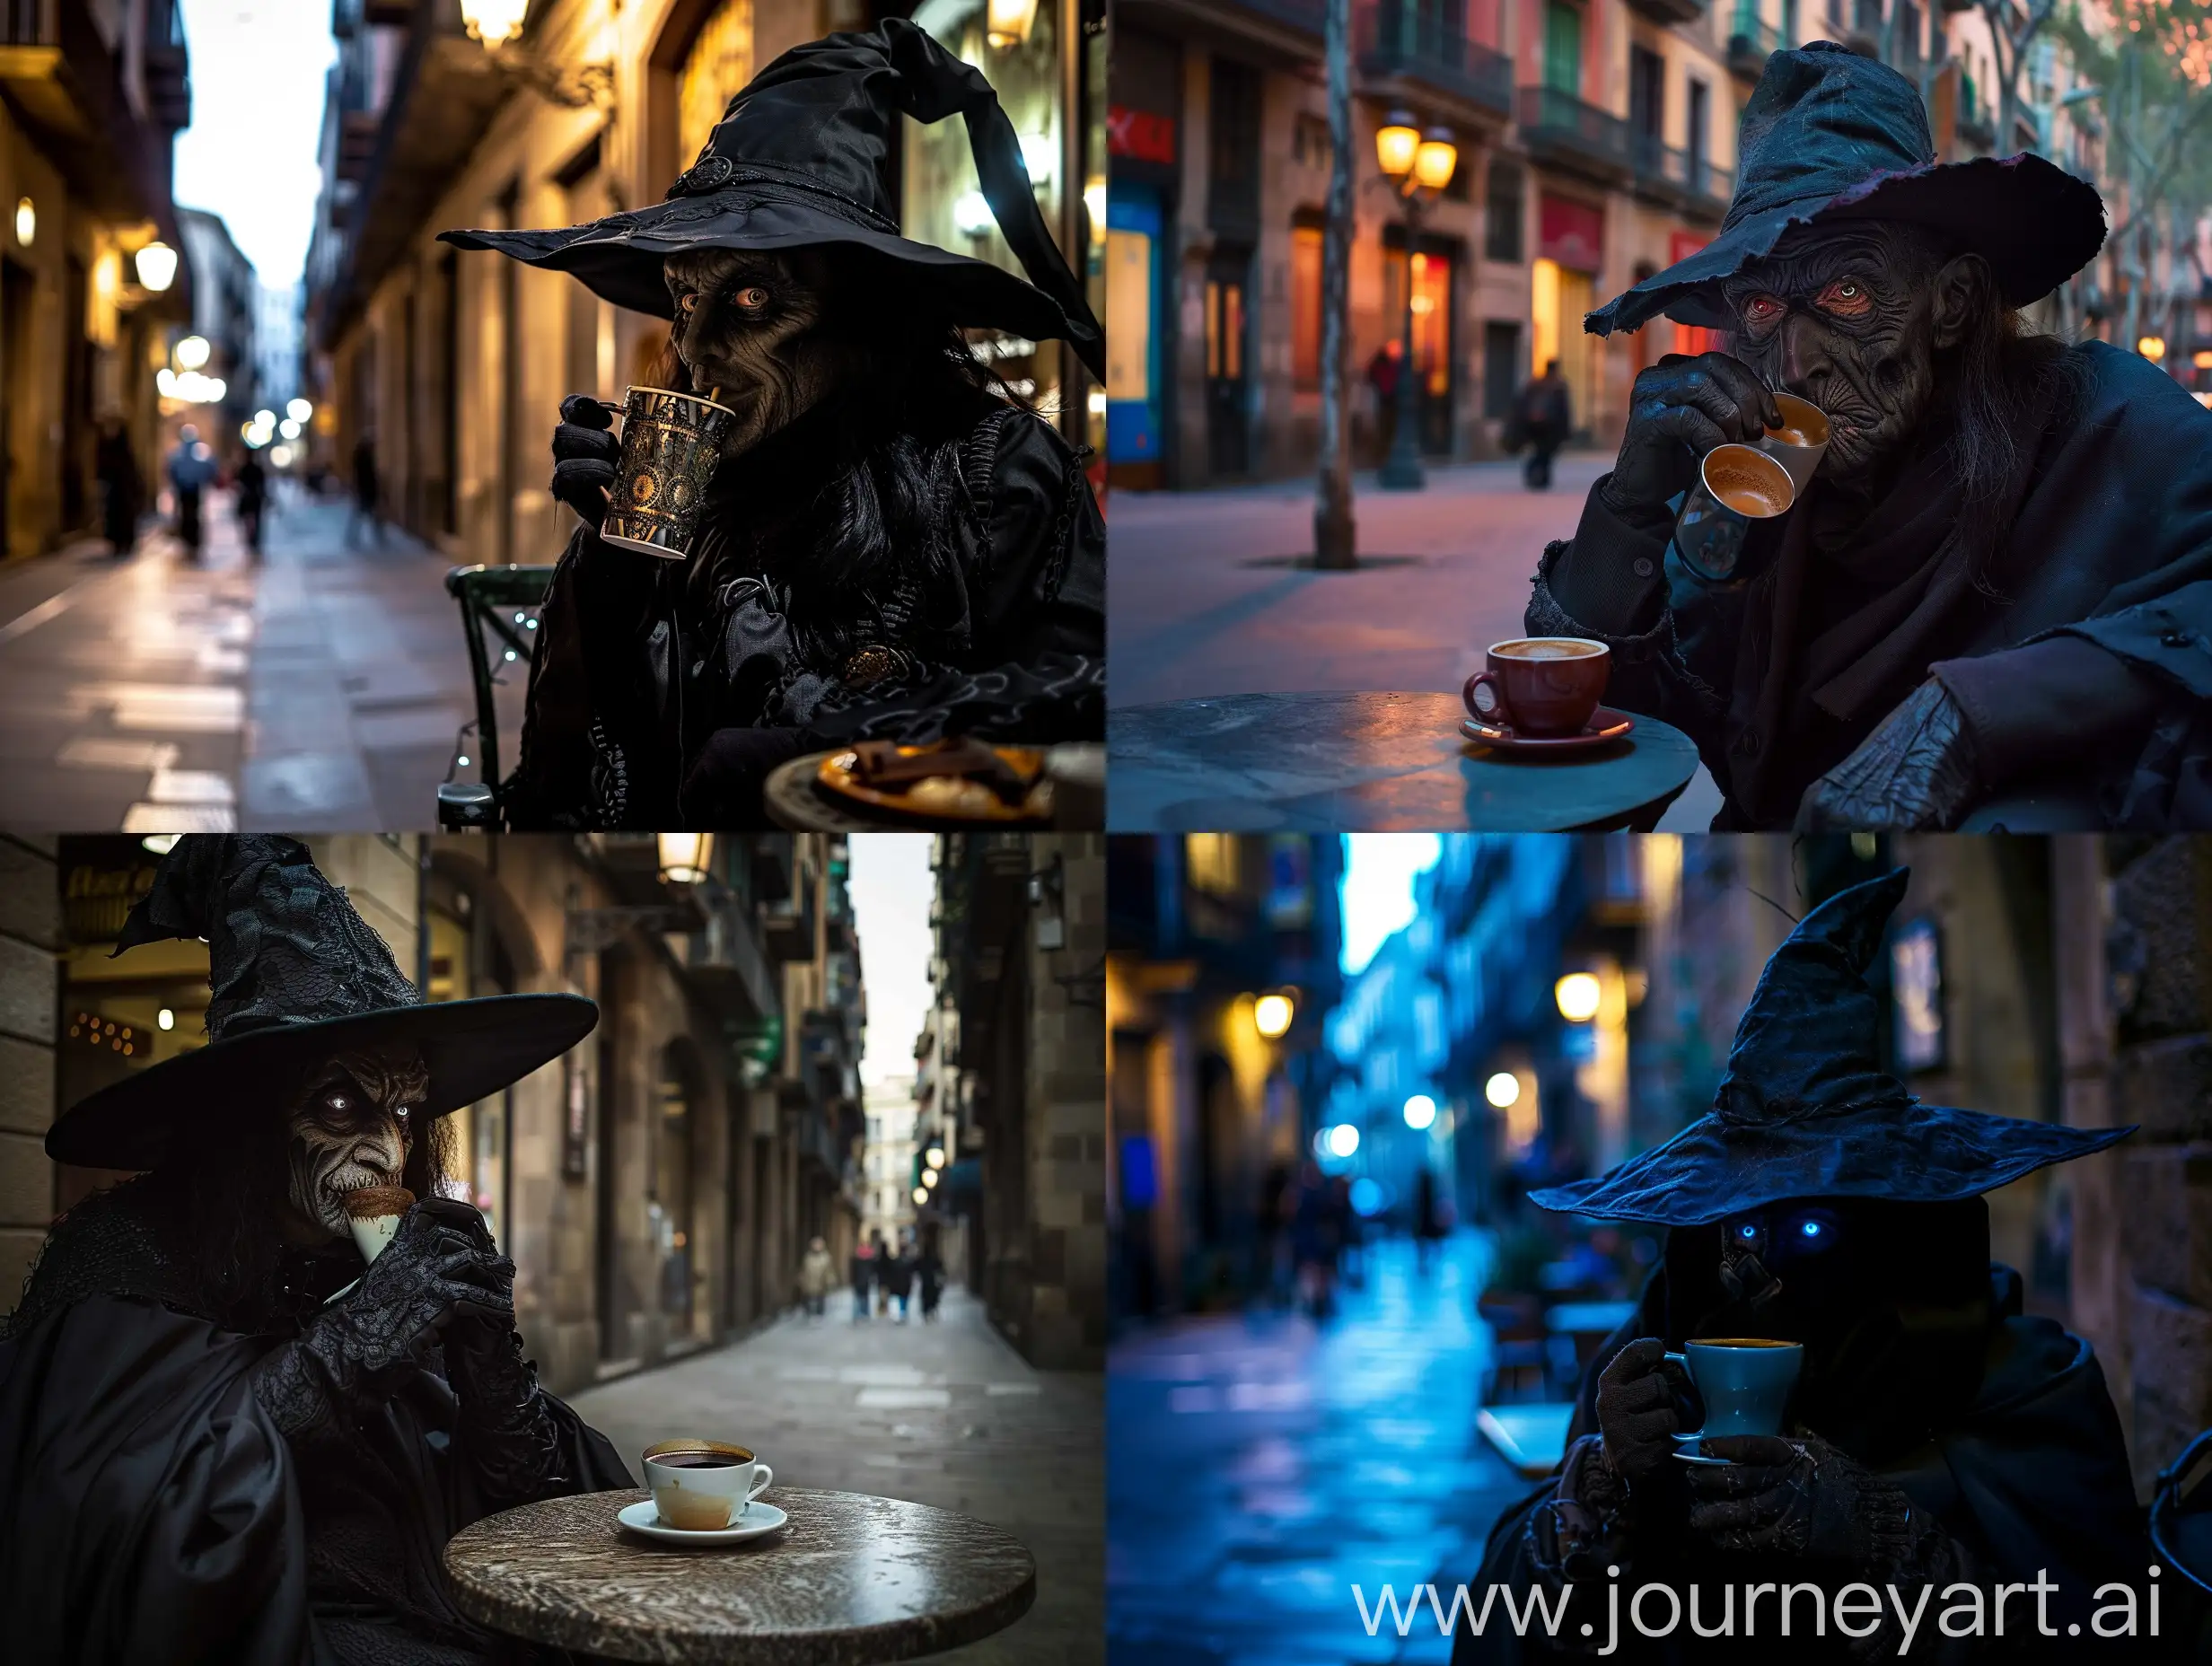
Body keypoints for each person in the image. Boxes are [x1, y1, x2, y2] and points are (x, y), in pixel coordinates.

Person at [1453, 871, 2146, 1663]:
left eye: (1811, 1226)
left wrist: (1883, 1537)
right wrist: (1600, 1497)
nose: (1759, 1271)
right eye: (1739, 1226)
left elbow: (2108, 1632)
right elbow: (1507, 1622)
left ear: (1901, 1227)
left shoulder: (2018, 1382)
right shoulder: (1654, 1356)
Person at [1526, 42, 2212, 833]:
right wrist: (1629, 507)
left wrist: (1977, 716)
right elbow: (1593, 773)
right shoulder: (1750, 502)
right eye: (1759, 309)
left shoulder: (2100, 425)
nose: (1794, 362)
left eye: (1846, 292)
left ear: (1949, 304)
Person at [443, 21, 1106, 829]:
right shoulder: (685, 494)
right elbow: (556, 792)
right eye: (687, 299)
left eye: (750, 299)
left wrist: (829, 747)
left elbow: (1081, 723)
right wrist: (608, 576)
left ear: (861, 311)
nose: (695, 347)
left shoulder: (999, 474)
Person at [0, 836, 622, 1666]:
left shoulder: (384, 1259)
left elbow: (544, 1512)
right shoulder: (129, 1256)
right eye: (338, 1105)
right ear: (251, 1121)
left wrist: (486, 1362)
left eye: (403, 1115)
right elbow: (123, 1520)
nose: (388, 1154)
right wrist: (358, 1343)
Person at [1513, 360, 1572, 490]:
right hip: (1550, 428)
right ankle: (1542, 477)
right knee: (1546, 454)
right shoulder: (1558, 385)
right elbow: (1564, 410)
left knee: (1539, 451)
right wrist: (1566, 430)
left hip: (1534, 426)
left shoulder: (1535, 383)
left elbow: (1522, 405)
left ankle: (1536, 476)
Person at [167, 424, 215, 561]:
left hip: (184, 489)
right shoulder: (201, 451)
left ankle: (188, 541)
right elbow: (210, 468)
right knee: (193, 516)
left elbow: (171, 468)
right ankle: (193, 542)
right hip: (194, 489)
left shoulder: (178, 451)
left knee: (186, 515)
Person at [96, 417, 143, 557]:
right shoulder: (108, 448)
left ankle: (124, 542)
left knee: (123, 516)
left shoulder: (122, 450)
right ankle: (118, 542)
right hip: (116, 492)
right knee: (116, 517)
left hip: (124, 492)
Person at [1367, 339, 1403, 460]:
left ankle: (1385, 453)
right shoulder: (1383, 364)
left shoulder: (1394, 365)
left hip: (1390, 399)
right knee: (1385, 428)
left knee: (1388, 428)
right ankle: (1383, 454)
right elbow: (1372, 376)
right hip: (1386, 399)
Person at [347, 434, 382, 548]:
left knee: (361, 515)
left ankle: (353, 537)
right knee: (367, 514)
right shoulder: (364, 457)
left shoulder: (359, 456)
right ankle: (378, 535)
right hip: (366, 490)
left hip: (364, 490)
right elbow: (369, 475)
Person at [235, 448, 269, 560]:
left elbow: (237, 485)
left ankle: (252, 542)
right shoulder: (256, 469)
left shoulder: (243, 469)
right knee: (256, 523)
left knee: (249, 523)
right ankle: (254, 543)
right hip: (255, 500)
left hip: (249, 501)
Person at [797, 1234, 833, 1319]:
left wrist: (829, 1281)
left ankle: (819, 1313)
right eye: (815, 1244)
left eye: (819, 1245)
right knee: (808, 1297)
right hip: (809, 1281)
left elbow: (829, 1270)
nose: (817, 1246)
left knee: (820, 1298)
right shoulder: (808, 1257)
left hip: (821, 1282)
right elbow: (803, 1269)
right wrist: (801, 1279)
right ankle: (808, 1313)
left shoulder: (826, 1257)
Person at [882, 1236, 916, 1324]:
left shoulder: (895, 1262)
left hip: (898, 1285)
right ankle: (903, 1314)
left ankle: (901, 1315)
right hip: (905, 1285)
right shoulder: (908, 1262)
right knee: (904, 1300)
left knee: (900, 1300)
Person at [915, 1232, 944, 1322]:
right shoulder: (934, 1259)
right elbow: (940, 1268)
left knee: (925, 1298)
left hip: (925, 1282)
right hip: (933, 1282)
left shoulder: (921, 1260)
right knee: (933, 1298)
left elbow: (916, 1268)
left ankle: (926, 1313)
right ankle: (932, 1312)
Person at [849, 1233, 875, 1321]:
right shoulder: (859, 1259)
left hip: (863, 1281)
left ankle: (861, 1314)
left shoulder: (864, 1259)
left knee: (861, 1298)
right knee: (861, 1298)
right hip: (861, 1281)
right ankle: (862, 1314)